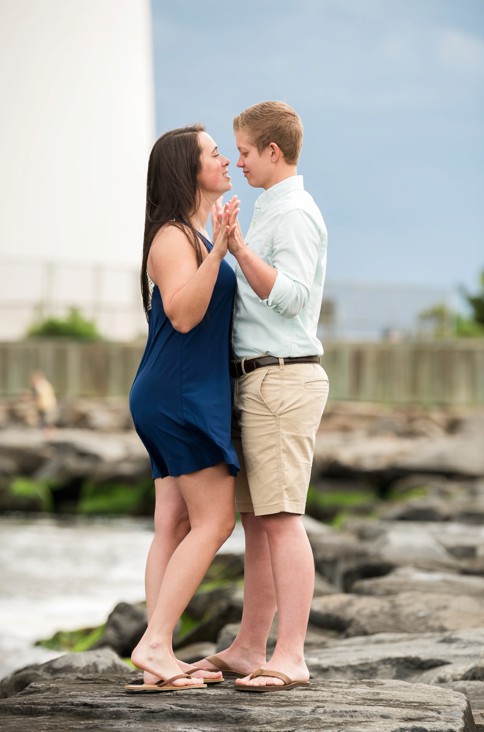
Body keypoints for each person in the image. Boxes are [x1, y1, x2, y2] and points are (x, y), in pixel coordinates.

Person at [190, 101, 328, 692]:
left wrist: (238, 248)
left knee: (282, 520)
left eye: (244, 151)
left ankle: (290, 654)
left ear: (273, 151)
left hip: (282, 377)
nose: (237, 160)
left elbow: (293, 297)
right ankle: (251, 645)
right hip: (256, 379)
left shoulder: (293, 212)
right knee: (257, 520)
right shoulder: (272, 205)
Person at [125, 124, 241, 692]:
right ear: (187, 170)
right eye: (214, 153)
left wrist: (219, 244)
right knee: (215, 520)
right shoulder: (174, 238)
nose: (225, 160)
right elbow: (185, 315)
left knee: (171, 523)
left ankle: (158, 660)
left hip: (175, 392)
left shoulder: (190, 233)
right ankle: (154, 643)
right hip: (178, 396)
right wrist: (220, 248)